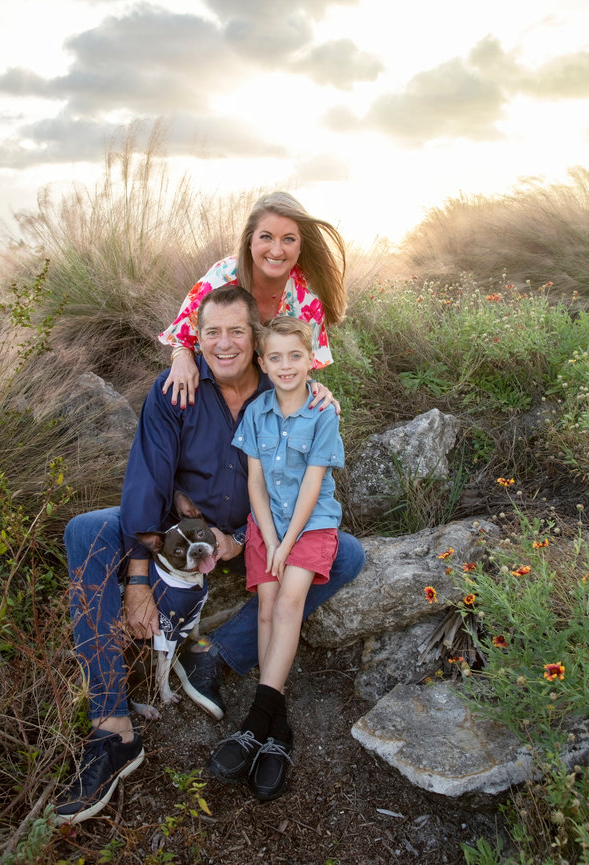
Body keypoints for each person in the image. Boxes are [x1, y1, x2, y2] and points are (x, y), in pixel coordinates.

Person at [55, 287, 365, 824]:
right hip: (180, 528)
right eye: (211, 333)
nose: (224, 345)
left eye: (237, 332)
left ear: (256, 338)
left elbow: (299, 474)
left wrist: (243, 539)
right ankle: (112, 727)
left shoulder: (285, 384)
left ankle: (214, 653)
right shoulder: (177, 386)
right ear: (196, 338)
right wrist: (136, 578)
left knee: (347, 555)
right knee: (85, 531)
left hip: (261, 527)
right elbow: (148, 479)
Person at [206, 317, 343, 801]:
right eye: (276, 358)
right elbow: (255, 483)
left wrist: (286, 545)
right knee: (265, 608)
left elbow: (311, 485)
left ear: (312, 360)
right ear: (263, 364)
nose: (286, 366)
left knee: (287, 606)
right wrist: (267, 537)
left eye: (296, 356)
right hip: (265, 527)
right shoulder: (257, 412)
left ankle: (254, 721)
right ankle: (278, 731)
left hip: (309, 526)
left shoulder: (323, 413)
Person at [158, 191, 347, 409]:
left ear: (300, 245)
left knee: (324, 410)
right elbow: (184, 338)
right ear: (250, 240)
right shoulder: (222, 278)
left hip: (269, 395)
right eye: (266, 237)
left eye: (288, 239)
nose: (276, 250)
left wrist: (314, 387)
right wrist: (182, 358)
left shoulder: (307, 299)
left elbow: (301, 368)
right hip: (211, 385)